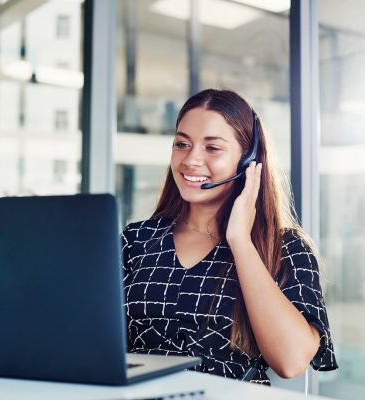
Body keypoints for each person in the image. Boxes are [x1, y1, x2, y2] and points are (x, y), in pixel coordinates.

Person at [120, 88, 338, 385]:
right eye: (182, 144)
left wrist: (240, 241)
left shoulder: (285, 248)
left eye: (212, 148)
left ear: (247, 160)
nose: (191, 160)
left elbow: (291, 360)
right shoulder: (136, 241)